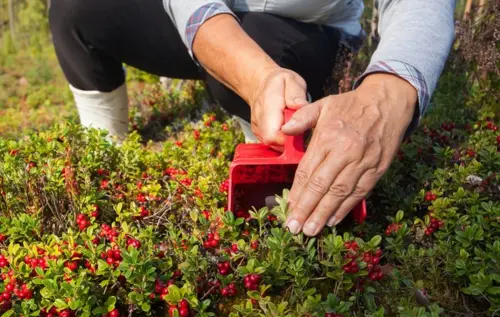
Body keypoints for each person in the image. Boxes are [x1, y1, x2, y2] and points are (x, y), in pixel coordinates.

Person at [48, 0, 455, 237]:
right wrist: (251, 72)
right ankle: (105, 152)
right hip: (212, 18)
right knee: (76, 8)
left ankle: (276, 186)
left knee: (259, 34)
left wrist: (389, 92)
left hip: (307, 29)